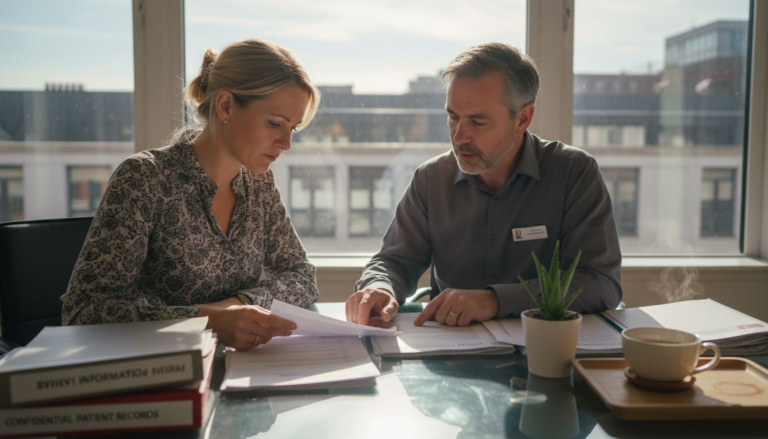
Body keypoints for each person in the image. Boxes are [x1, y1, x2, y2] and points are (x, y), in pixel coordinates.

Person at [62, 39, 321, 350]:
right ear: (226, 106)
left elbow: (301, 276)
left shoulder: (259, 184)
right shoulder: (144, 178)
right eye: (275, 123)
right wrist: (207, 320)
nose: (286, 143)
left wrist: (239, 305)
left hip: (239, 366)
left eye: (293, 128)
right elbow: (85, 310)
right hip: (159, 370)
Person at [346, 43, 622, 327]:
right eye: (453, 117)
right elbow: (394, 261)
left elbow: (601, 282)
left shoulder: (574, 173)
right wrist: (380, 287)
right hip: (451, 345)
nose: (459, 137)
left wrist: (495, 300)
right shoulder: (431, 179)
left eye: (478, 122)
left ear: (522, 119)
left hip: (544, 344)